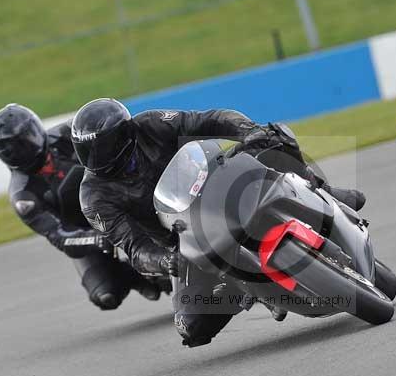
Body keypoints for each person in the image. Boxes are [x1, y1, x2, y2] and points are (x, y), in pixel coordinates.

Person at [72, 98, 366, 346]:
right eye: (88, 151)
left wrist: (249, 132)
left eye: (104, 147)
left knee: (275, 138)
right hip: (182, 241)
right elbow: (134, 247)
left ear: (125, 135)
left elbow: (210, 119)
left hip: (217, 187)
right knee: (191, 329)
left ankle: (324, 193)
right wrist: (164, 261)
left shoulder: (151, 124)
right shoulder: (93, 196)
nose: (96, 158)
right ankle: (241, 289)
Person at [0, 103, 164, 311]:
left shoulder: (69, 134)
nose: (30, 142)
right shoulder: (23, 196)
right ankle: (134, 277)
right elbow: (60, 235)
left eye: (30, 133)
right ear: (6, 153)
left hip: (118, 200)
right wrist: (97, 238)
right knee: (105, 295)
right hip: (86, 232)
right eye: (20, 144)